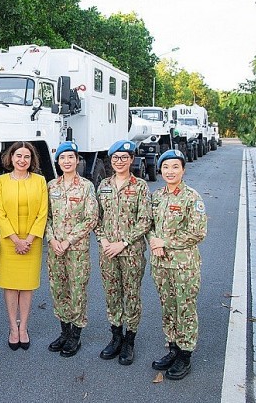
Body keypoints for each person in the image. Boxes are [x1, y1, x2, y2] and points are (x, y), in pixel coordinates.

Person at [148, 149, 207, 380]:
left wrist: (166, 242)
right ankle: (172, 348)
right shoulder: (157, 196)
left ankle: (185, 354)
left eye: (175, 167)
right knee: (168, 308)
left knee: (185, 309)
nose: (170, 171)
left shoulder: (192, 197)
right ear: (160, 170)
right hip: (161, 264)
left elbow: (198, 232)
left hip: (184, 266)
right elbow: (150, 224)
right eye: (165, 167)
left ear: (183, 169)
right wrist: (155, 242)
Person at [95, 140, 152, 366]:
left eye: (124, 158)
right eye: (116, 158)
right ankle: (116, 336)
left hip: (131, 252)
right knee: (112, 294)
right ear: (111, 160)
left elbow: (145, 221)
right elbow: (95, 218)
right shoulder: (103, 186)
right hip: (108, 251)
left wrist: (123, 242)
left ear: (131, 160)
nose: (120, 161)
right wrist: (104, 239)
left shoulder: (140, 187)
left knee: (131, 296)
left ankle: (130, 340)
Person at [45, 142, 98, 357]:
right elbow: (44, 217)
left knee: (77, 290)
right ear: (57, 161)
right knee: (59, 290)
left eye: (70, 157)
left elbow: (91, 218)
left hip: (76, 250)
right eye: (62, 157)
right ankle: (64, 331)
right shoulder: (51, 186)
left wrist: (68, 241)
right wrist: (51, 239)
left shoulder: (86, 186)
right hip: (55, 249)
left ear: (77, 160)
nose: (67, 161)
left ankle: (75, 334)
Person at [0, 141, 48, 350]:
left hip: (32, 241)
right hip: (9, 242)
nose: (22, 160)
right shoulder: (0, 181)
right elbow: (0, 213)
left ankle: (23, 327)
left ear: (32, 159)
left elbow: (43, 213)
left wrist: (29, 239)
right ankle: (12, 327)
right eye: (18, 156)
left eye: (27, 156)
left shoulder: (40, 181)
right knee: (10, 285)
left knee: (26, 286)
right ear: (11, 158)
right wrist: (16, 240)